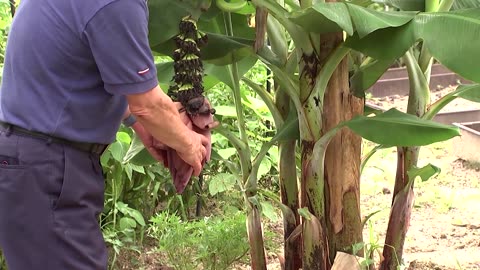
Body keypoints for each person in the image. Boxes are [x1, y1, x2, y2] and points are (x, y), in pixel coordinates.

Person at [0, 0, 209, 269]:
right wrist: (189, 143)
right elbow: (149, 103)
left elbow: (87, 72)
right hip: (48, 164)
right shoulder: (117, 3)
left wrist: (141, 127)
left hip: (34, 157)